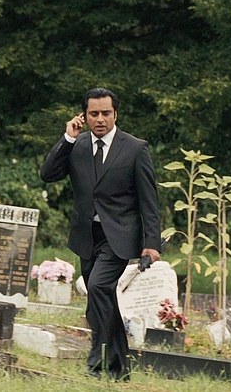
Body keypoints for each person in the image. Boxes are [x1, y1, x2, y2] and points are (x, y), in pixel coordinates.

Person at [40, 88, 162, 380]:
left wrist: (152, 243)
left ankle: (95, 364)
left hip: (119, 236)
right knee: (101, 299)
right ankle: (119, 369)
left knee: (97, 287)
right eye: (93, 114)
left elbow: (149, 200)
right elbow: (48, 174)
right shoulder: (78, 145)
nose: (100, 119)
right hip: (86, 235)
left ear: (115, 114)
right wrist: (68, 138)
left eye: (106, 113)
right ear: (84, 116)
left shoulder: (135, 149)